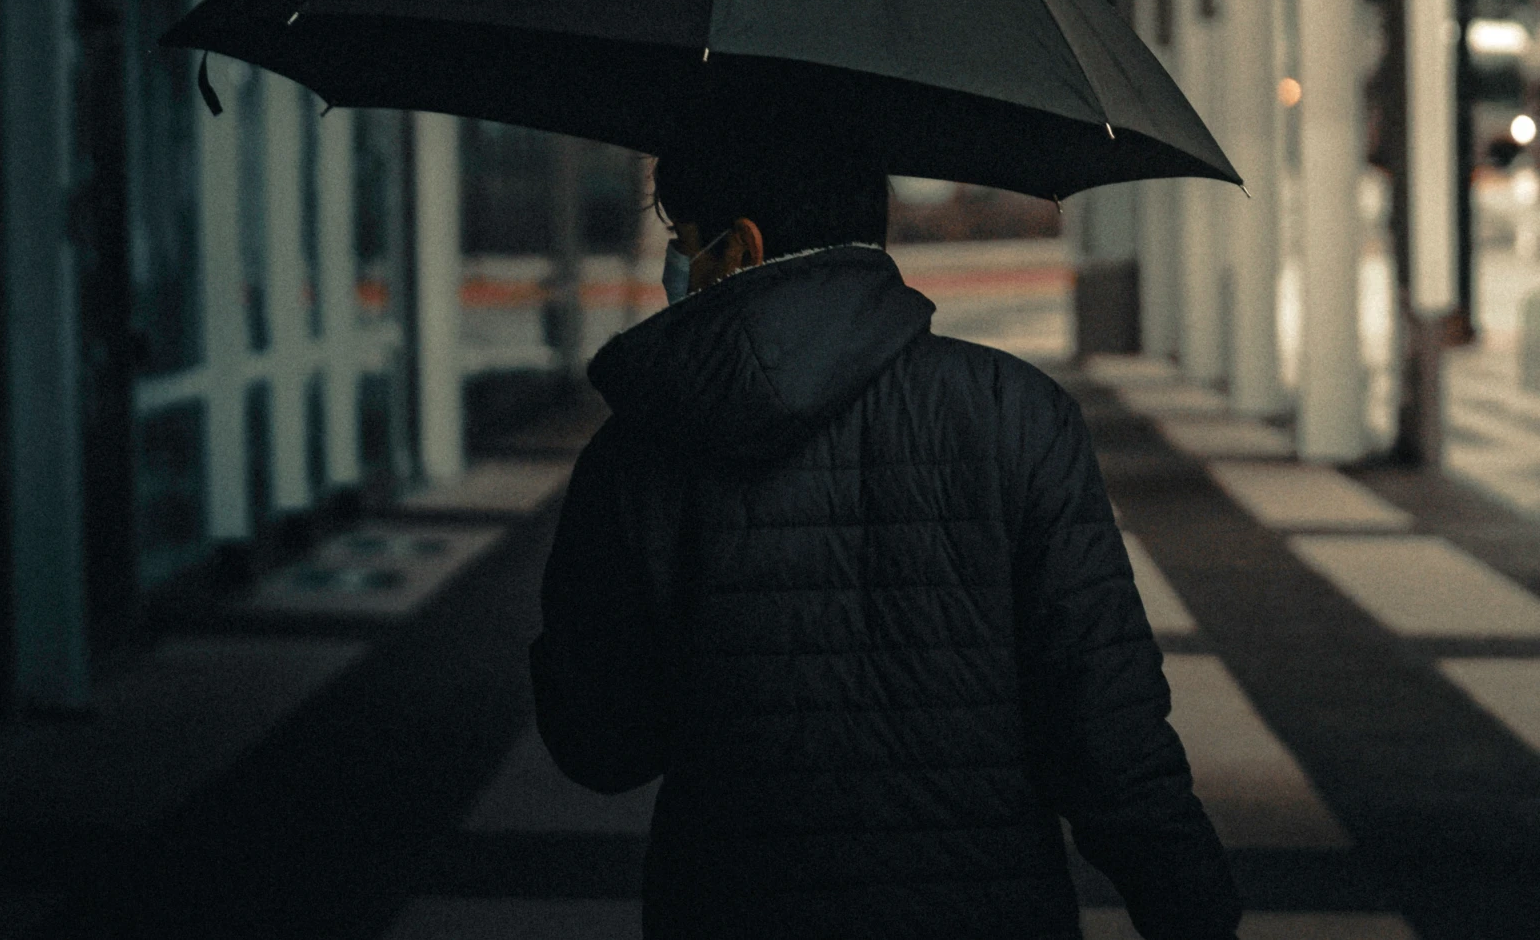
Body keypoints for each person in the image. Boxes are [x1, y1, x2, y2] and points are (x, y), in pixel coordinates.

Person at [530, 136, 1240, 940]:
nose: (674, 268)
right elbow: (1107, 731)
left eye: (683, 245)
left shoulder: (641, 450)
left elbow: (599, 747)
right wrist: (1193, 912)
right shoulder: (1015, 412)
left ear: (743, 247)